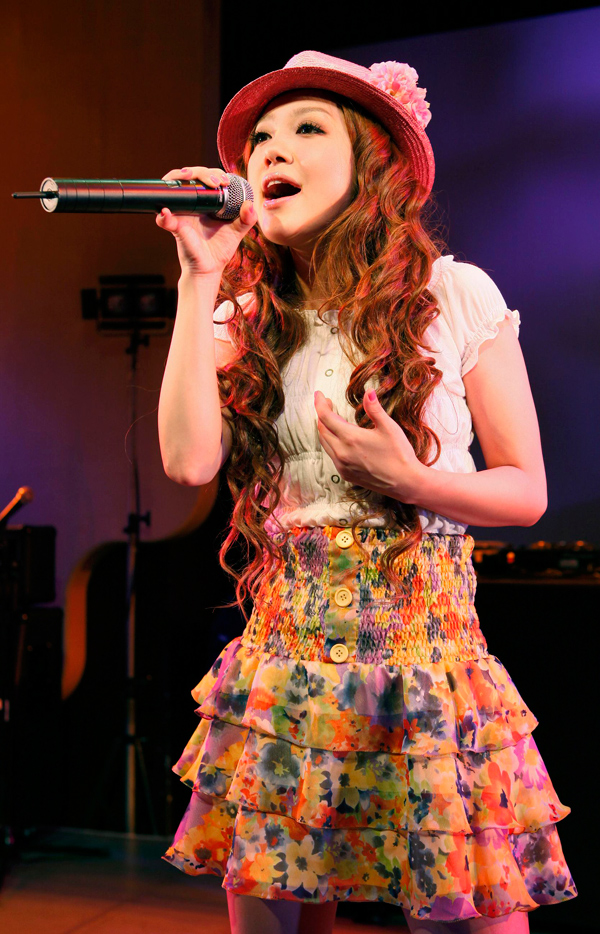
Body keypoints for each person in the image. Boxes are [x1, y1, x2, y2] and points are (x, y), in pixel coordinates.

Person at [156, 51, 576, 934]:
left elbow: (527, 489)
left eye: (307, 129)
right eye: (260, 140)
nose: (272, 151)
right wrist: (199, 277)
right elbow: (188, 463)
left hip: (429, 666)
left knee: (464, 914)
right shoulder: (241, 317)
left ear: (373, 162)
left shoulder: (452, 293)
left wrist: (410, 480)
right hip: (288, 672)